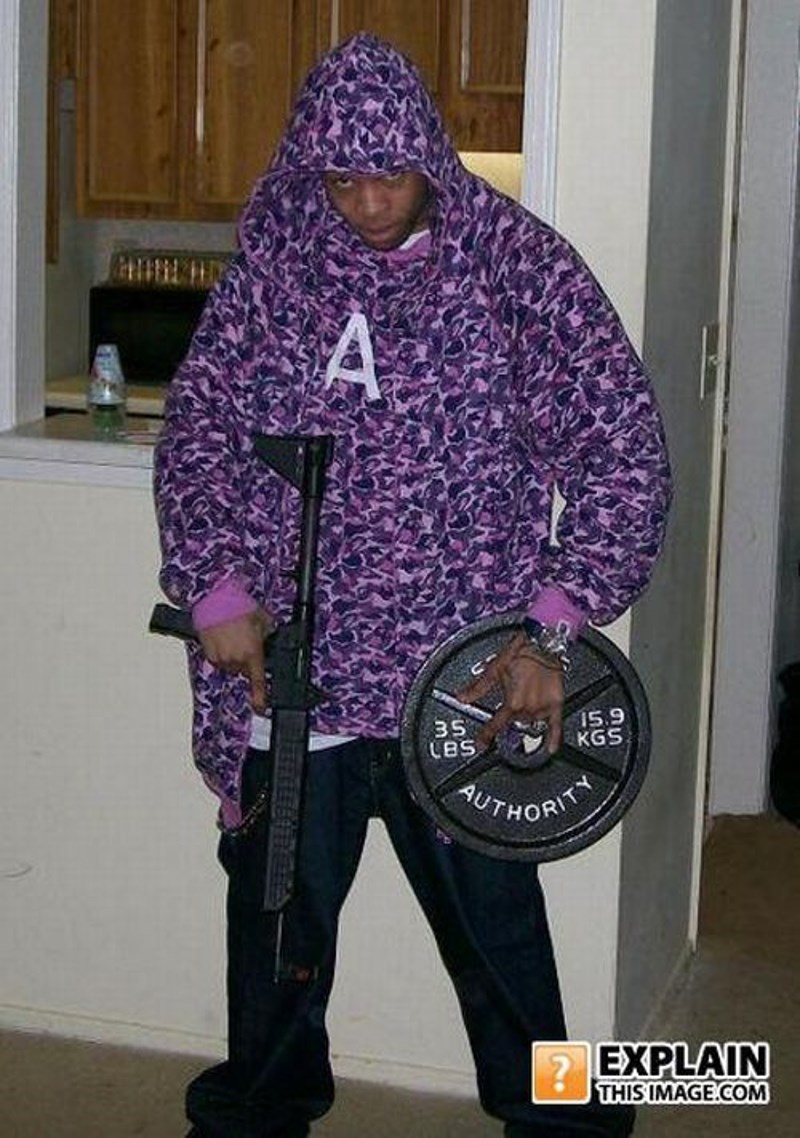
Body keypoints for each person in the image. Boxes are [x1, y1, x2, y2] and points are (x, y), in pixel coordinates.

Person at [154, 33, 671, 1138]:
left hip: (464, 675)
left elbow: (621, 451)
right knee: (276, 927)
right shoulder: (274, 273)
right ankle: (258, 1113)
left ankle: (563, 1119)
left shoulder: (518, 269)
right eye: (342, 180)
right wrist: (215, 591)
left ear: (428, 157)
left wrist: (553, 628)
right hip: (298, 674)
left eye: (388, 175)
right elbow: (198, 434)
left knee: (497, 933)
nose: (368, 203)